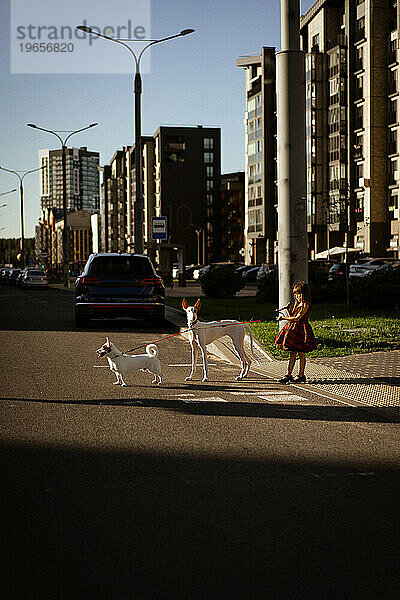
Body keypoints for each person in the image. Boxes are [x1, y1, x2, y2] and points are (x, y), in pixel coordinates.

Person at [274, 281, 317, 383]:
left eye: (299, 294)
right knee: (292, 352)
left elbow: (297, 318)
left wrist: (283, 317)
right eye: (296, 294)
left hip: (302, 330)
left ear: (305, 294)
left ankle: (301, 375)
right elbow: (293, 316)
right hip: (294, 329)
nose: (297, 297)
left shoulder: (305, 304)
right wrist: (289, 310)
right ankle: (288, 374)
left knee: (301, 353)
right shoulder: (298, 304)